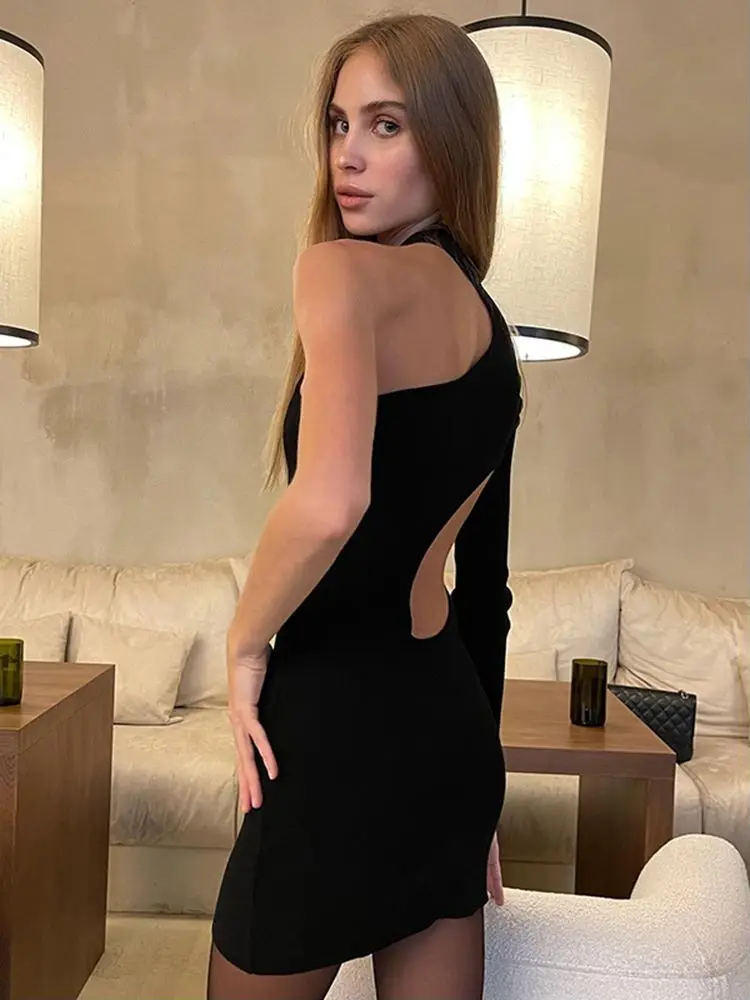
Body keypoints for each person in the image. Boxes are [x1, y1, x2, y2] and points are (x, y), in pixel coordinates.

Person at [208, 12, 523, 1000]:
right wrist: (479, 794)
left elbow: (333, 499)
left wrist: (244, 645)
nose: (348, 154)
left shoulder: (338, 271)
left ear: (452, 140)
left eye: (386, 125)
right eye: (339, 124)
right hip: (448, 737)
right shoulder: (496, 336)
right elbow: (487, 593)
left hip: (330, 727)